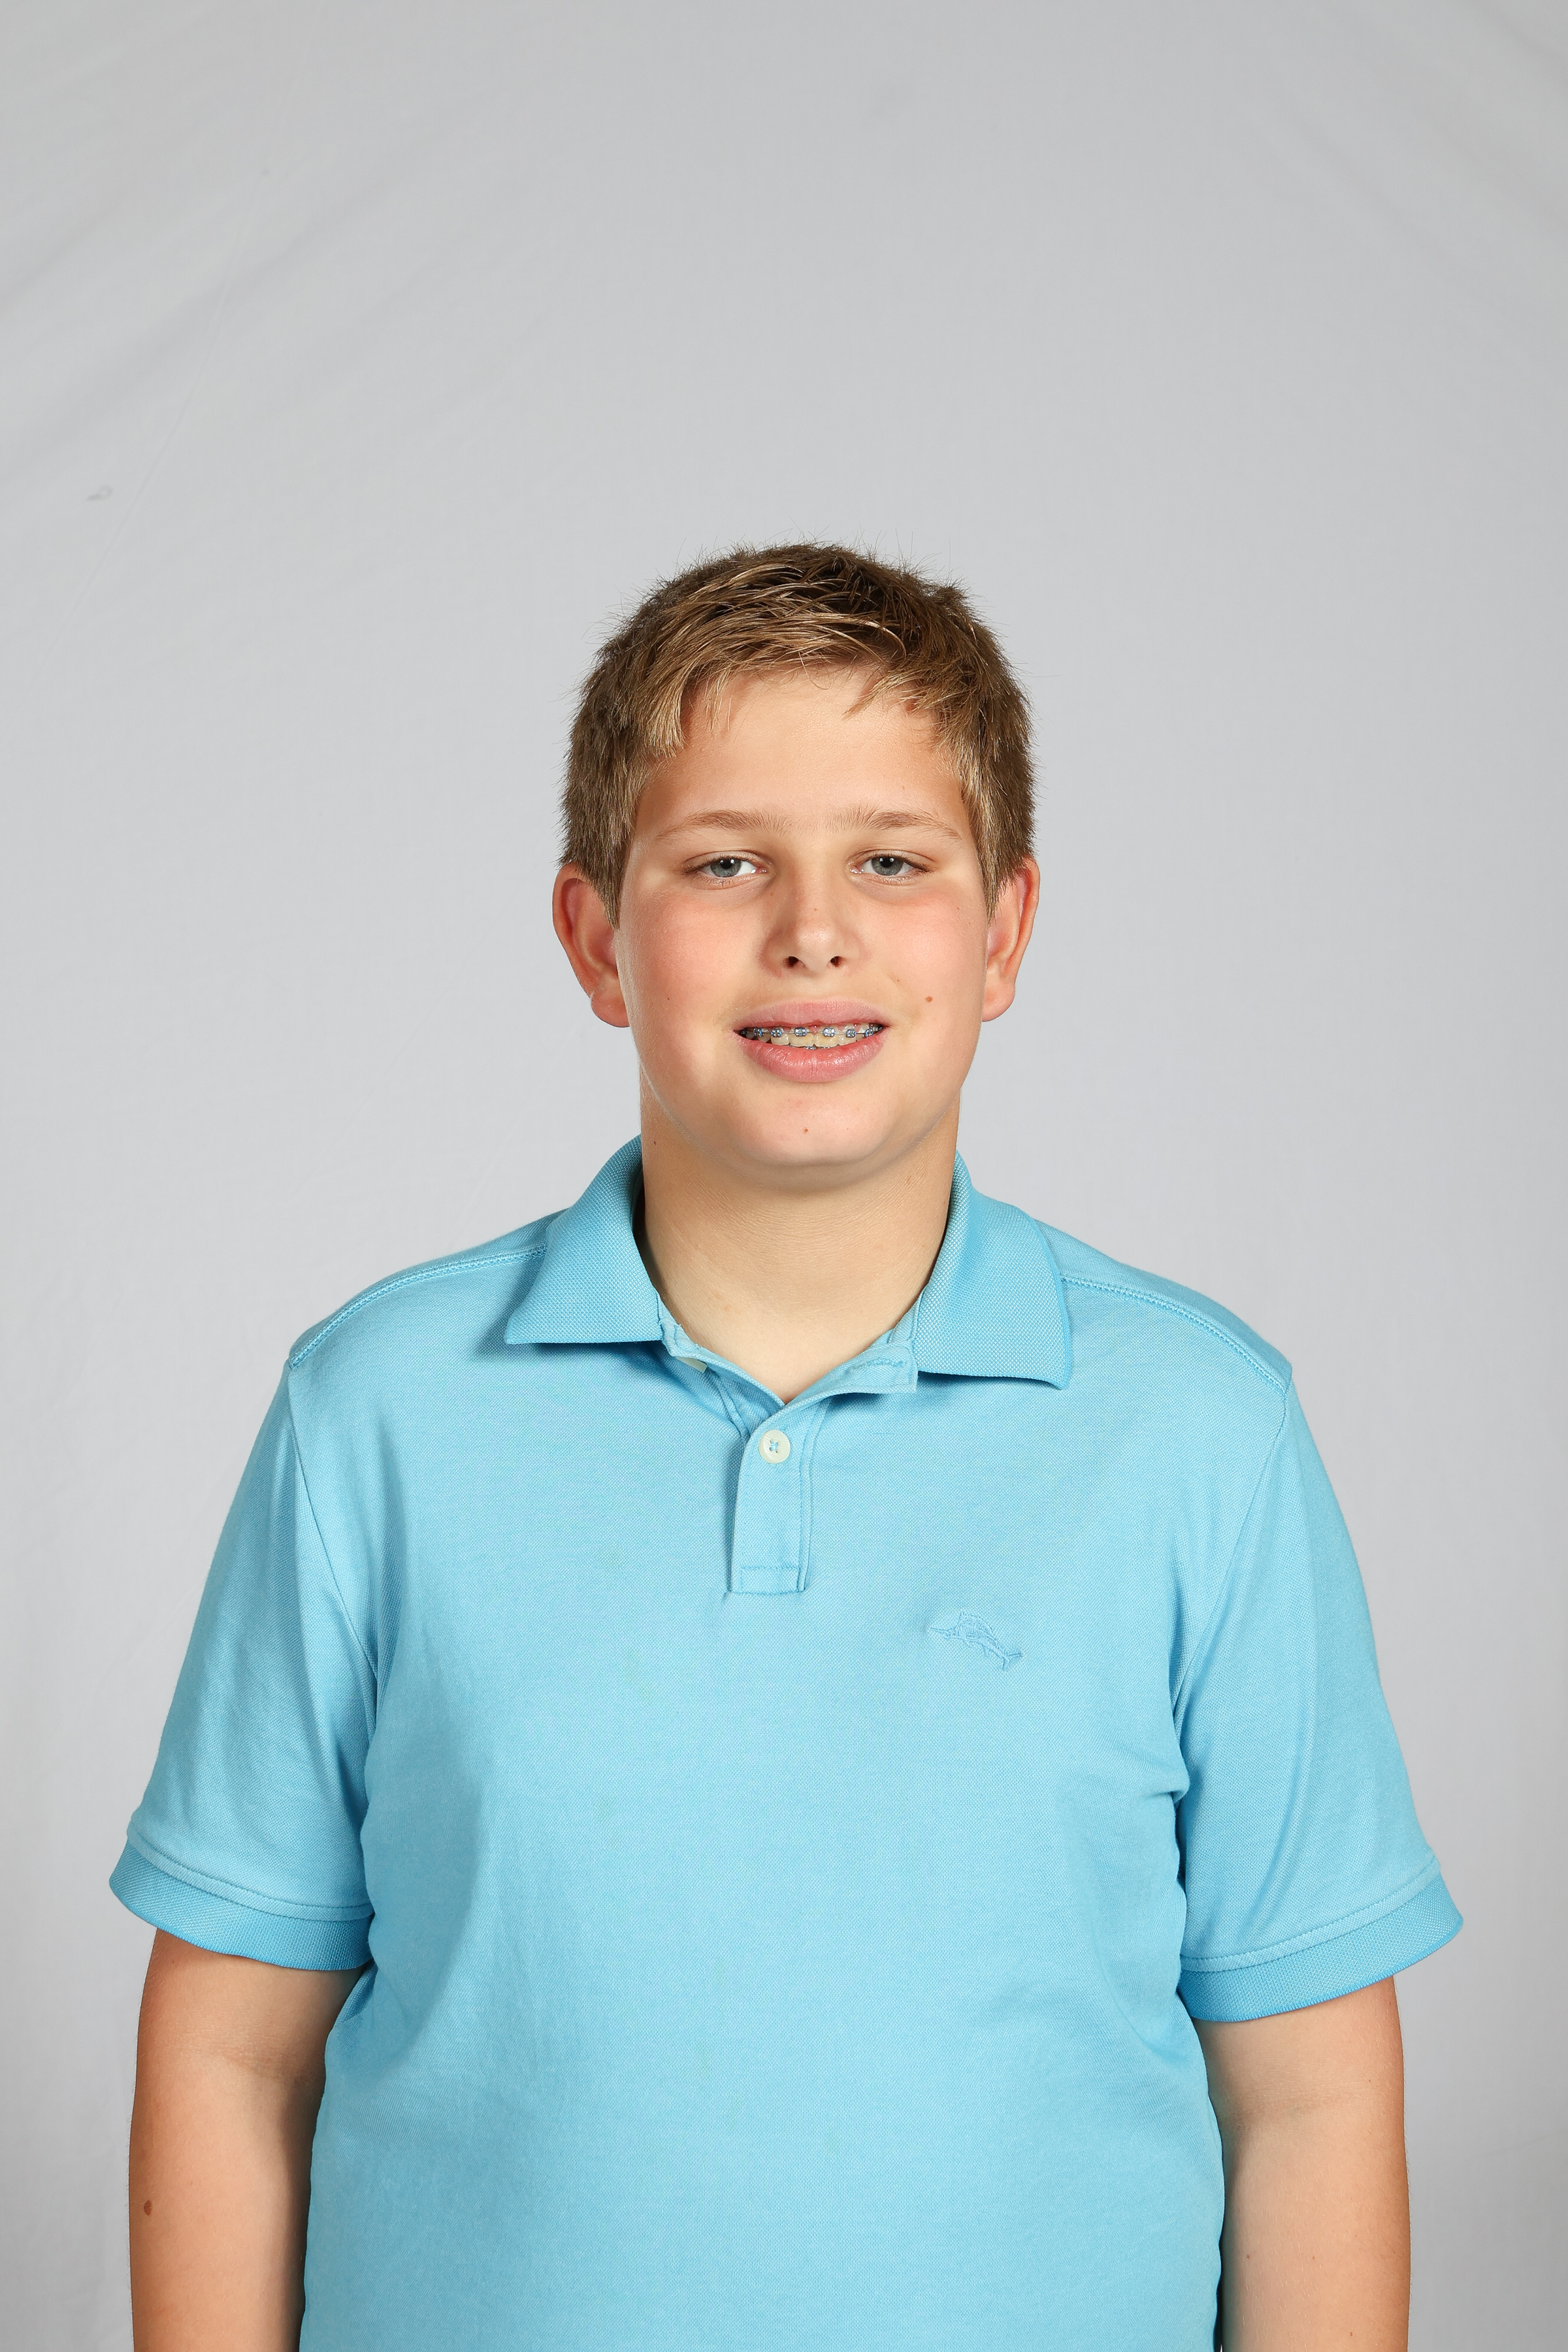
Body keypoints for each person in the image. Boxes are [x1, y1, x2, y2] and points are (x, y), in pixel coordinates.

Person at [115, 544, 1460, 2352]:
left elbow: (1307, 2095)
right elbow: (230, 2053)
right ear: (596, 939)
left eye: (893, 861)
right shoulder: (375, 1412)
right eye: (723, 861)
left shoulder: (1199, 1431)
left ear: (1006, 933)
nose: (813, 929)